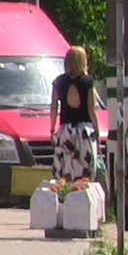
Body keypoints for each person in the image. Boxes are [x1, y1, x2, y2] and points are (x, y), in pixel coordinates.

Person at [50, 46, 98, 182]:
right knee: (85, 169)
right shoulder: (88, 81)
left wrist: (52, 129)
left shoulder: (58, 82)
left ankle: (64, 196)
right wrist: (97, 130)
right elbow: (91, 108)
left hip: (65, 129)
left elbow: (54, 107)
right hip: (84, 131)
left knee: (65, 167)